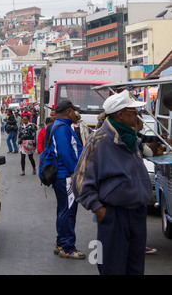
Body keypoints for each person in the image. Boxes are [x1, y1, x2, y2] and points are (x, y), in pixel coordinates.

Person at [72, 90, 152, 274]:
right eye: (133, 112)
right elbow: (79, 181)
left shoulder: (131, 138)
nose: (137, 116)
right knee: (112, 267)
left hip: (137, 213)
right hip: (114, 215)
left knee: (136, 268)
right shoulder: (99, 139)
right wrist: (99, 210)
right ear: (120, 114)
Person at [48, 100, 84, 259]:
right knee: (68, 211)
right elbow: (65, 153)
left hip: (63, 176)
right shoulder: (62, 129)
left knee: (63, 210)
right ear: (69, 112)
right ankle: (68, 248)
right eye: (74, 111)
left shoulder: (59, 126)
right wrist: (73, 172)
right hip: (66, 176)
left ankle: (61, 243)